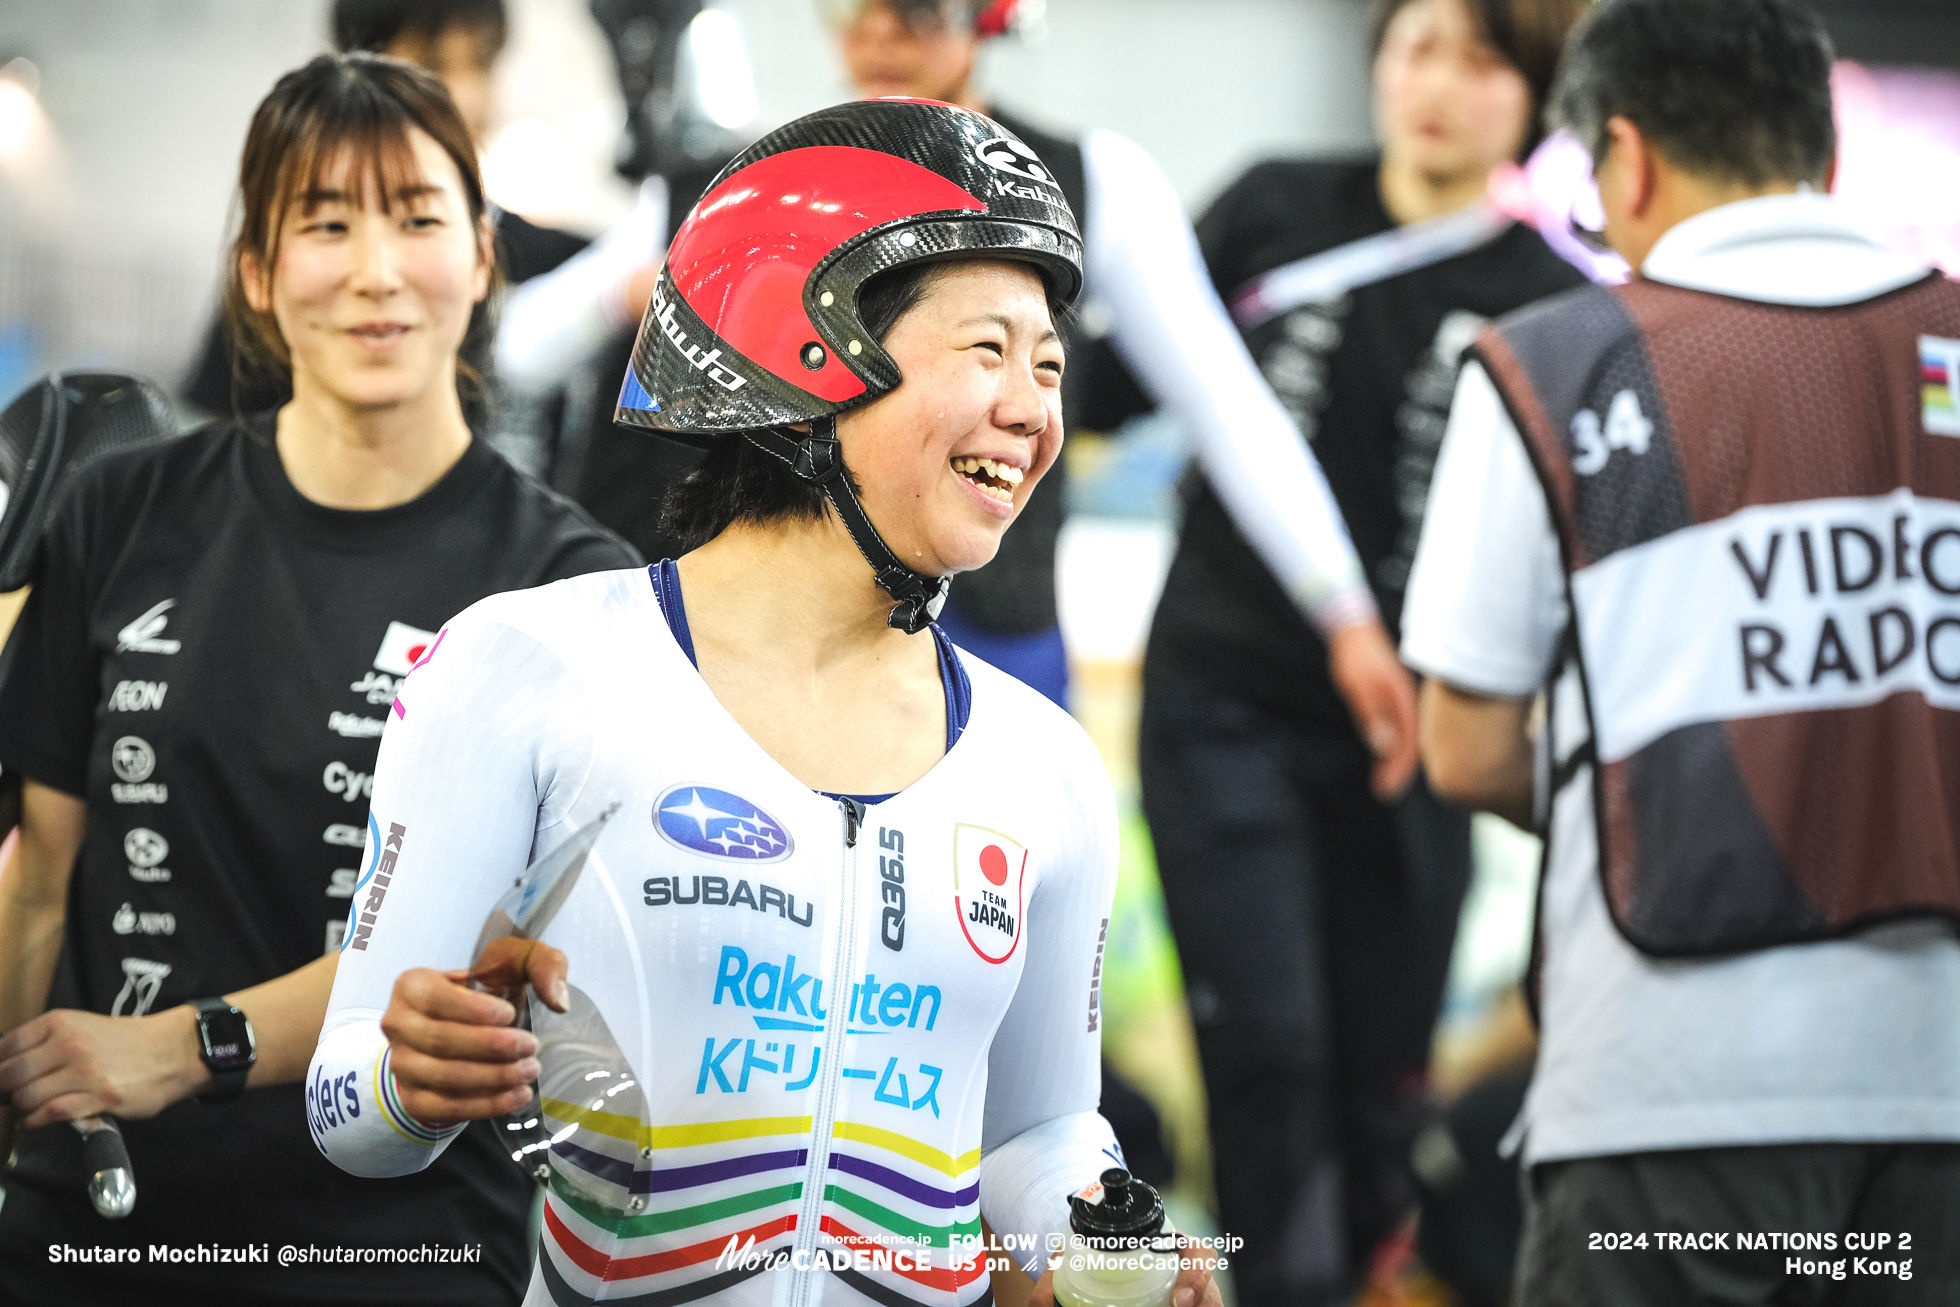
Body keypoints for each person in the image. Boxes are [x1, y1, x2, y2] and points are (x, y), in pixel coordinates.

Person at [307, 96, 1221, 1307]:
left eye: (1051, 364)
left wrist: (1119, 1244)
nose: (1035, 409)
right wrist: (406, 1082)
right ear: (807, 348)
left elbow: (1037, 1138)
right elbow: (344, 1107)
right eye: (989, 349)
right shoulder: (521, 667)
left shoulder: (1043, 764)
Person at [0, 53, 639, 1303]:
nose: (375, 271)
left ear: (484, 254)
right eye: (325, 222)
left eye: (415, 218)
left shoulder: (569, 589)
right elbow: (41, 886)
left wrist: (185, 1046)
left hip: (399, 1233)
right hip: (95, 1209)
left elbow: (486, 948)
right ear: (256, 269)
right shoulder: (120, 512)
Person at [1401, 0, 1960, 1302]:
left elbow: (1466, 742)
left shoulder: (1556, 363)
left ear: (1628, 161)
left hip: (1670, 1093)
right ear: (1825, 159)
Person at [1138, 0, 1587, 1301]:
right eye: (1416, 46)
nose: (1438, 83)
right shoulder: (1274, 207)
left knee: (1384, 1080)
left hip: (1425, 745)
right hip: (1224, 705)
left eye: (1484, 57)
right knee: (1268, 1053)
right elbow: (1094, 385)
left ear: (1540, 96)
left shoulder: (1559, 298)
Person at [824, 0, 1420, 748]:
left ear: (991, 14)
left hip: (997, 630)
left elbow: (1225, 403)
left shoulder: (1095, 180)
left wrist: (1344, 610)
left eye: (915, 10)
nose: (875, 32)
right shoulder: (763, 185)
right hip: (801, 621)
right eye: (844, 6)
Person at [181, 0, 589, 421]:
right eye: (432, 64)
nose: (463, 96)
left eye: (481, 64)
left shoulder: (568, 264)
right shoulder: (295, 274)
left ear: (482, 259)